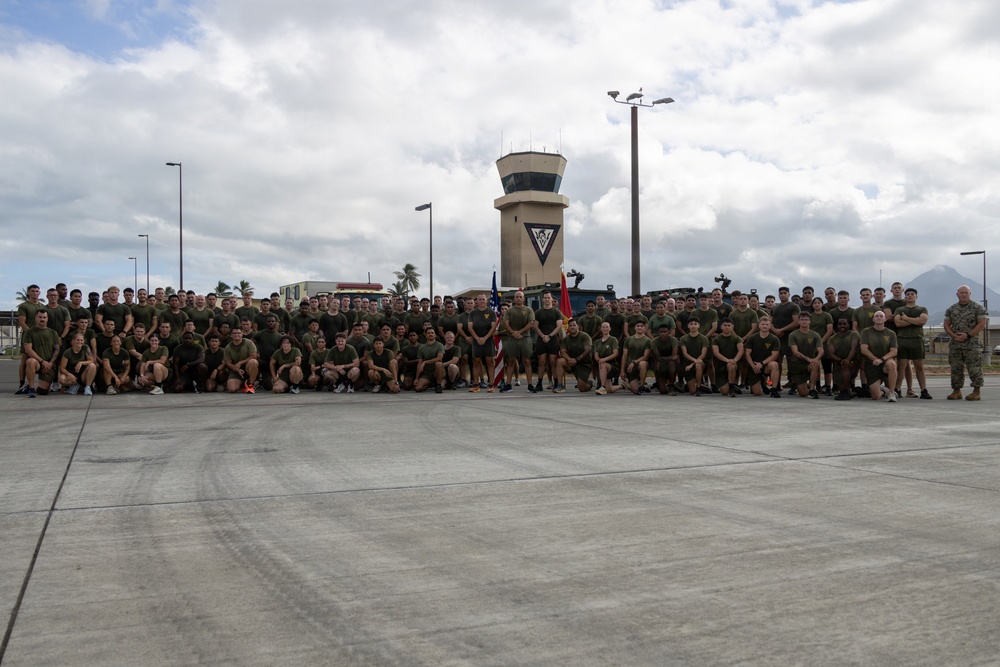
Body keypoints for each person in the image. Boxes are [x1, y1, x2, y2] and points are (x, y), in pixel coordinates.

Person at [943, 284, 988, 401]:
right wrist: (953, 335)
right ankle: (956, 391)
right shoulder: (951, 309)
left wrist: (968, 335)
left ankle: (976, 391)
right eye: (961, 293)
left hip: (972, 344)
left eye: (966, 293)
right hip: (956, 344)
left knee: (974, 368)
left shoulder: (978, 308)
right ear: (957, 294)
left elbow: (982, 324)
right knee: (956, 368)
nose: (963, 295)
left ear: (970, 294)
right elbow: (946, 324)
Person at [893, 287, 932, 399]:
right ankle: (898, 389)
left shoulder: (922, 309)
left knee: (919, 367)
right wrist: (914, 320)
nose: (910, 296)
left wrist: (906, 318)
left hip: (917, 340)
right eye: (908, 294)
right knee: (901, 366)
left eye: (912, 294)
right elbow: (898, 323)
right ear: (905, 296)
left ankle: (923, 390)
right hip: (902, 340)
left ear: (916, 296)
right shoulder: (899, 309)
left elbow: (922, 321)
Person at [21, 310, 62, 398]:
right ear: (36, 318)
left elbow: (57, 349)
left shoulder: (53, 333)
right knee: (30, 361)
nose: (42, 319)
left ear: (47, 319)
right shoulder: (29, 332)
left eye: (44, 317)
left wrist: (50, 363)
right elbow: (28, 350)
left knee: (43, 391)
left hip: (49, 364)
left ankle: (28, 388)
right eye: (40, 317)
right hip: (38, 362)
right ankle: (31, 389)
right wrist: (42, 361)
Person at [860, 311, 898, 402]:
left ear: (885, 319)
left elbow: (894, 351)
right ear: (873, 319)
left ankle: (892, 393)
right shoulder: (866, 332)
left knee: (892, 364)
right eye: (876, 316)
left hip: (885, 362)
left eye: (881, 316)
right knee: (875, 396)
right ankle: (884, 391)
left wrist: (881, 359)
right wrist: (875, 359)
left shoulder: (891, 333)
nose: (879, 317)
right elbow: (864, 349)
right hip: (872, 364)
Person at [502, 291, 536, 392]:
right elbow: (506, 323)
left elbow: (531, 323)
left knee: (527, 361)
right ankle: (508, 384)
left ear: (523, 299)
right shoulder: (509, 311)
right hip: (512, 339)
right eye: (516, 297)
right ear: (514, 298)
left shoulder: (529, 310)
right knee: (511, 361)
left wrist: (519, 332)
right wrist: (513, 333)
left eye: (520, 297)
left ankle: (530, 385)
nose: (518, 298)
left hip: (525, 338)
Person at [788, 311, 824, 398]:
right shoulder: (793, 335)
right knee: (803, 394)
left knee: (815, 364)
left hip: (809, 364)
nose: (804, 321)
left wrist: (816, 359)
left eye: (806, 319)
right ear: (798, 321)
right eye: (802, 319)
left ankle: (812, 389)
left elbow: (821, 350)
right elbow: (795, 352)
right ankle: (805, 386)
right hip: (797, 365)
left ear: (810, 321)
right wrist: (808, 359)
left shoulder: (815, 335)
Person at [532, 292, 563, 392]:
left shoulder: (557, 312)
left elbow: (559, 326)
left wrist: (550, 336)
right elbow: (535, 326)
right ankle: (539, 383)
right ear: (542, 299)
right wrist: (542, 336)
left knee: (553, 362)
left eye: (548, 298)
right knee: (541, 362)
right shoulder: (538, 312)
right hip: (541, 339)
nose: (546, 300)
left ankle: (556, 382)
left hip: (553, 339)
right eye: (545, 298)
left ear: (551, 299)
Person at [743, 317, 781, 398]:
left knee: (774, 364)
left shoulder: (774, 339)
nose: (765, 326)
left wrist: (762, 363)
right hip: (754, 366)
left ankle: (774, 389)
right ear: (759, 325)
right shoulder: (752, 338)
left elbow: (775, 355)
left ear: (770, 326)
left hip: (765, 365)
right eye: (763, 324)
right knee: (757, 393)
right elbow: (747, 354)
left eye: (767, 324)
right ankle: (762, 383)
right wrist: (753, 366)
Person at [467, 294, 498, 392]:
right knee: (476, 362)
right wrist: (477, 338)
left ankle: (491, 384)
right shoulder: (473, 313)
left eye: (483, 299)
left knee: (490, 362)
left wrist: (485, 338)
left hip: (488, 340)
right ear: (477, 301)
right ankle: (476, 385)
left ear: (486, 300)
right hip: (476, 341)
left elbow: (493, 327)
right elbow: (470, 327)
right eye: (479, 299)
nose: (481, 301)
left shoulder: (491, 312)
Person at [826, 318, 860, 401]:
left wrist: (847, 360)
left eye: (844, 323)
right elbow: (831, 353)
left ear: (848, 325)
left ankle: (845, 392)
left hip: (852, 362)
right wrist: (841, 361)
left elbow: (854, 348)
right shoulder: (832, 338)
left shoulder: (854, 334)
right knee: (841, 387)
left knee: (845, 368)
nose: (842, 326)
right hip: (839, 363)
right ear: (837, 326)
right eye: (840, 324)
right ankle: (855, 392)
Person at [556, 318, 592, 393]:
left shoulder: (584, 336)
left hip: (583, 364)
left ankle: (590, 383)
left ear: (578, 326)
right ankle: (559, 385)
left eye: (574, 325)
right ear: (568, 327)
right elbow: (563, 352)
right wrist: (569, 359)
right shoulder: (566, 339)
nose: (572, 327)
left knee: (582, 388)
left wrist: (577, 359)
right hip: (571, 362)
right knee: (560, 361)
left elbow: (587, 350)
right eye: (570, 326)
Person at [712, 318, 744, 397]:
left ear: (732, 327)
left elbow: (741, 350)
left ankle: (732, 388)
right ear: (721, 327)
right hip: (721, 367)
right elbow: (716, 352)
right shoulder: (716, 339)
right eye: (725, 325)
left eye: (729, 325)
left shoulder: (737, 338)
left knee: (731, 366)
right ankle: (730, 386)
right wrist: (727, 360)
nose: (727, 327)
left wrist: (734, 360)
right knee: (724, 392)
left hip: (732, 364)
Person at [223, 327, 259, 393]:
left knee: (253, 362)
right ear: (231, 335)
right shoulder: (228, 347)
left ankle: (251, 385)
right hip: (236, 370)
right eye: (234, 333)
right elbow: (228, 363)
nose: (237, 335)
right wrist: (237, 369)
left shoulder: (249, 343)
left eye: (239, 333)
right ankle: (243, 384)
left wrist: (240, 362)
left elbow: (253, 356)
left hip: (248, 368)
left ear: (242, 334)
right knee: (232, 389)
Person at [678, 318, 709, 396]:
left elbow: (703, 355)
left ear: (698, 326)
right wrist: (692, 363)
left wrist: (692, 364)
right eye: (691, 324)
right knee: (692, 392)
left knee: (698, 364)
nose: (693, 326)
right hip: (687, 364)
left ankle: (698, 387)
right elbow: (685, 353)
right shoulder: (683, 338)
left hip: (700, 363)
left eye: (695, 324)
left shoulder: (704, 338)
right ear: (688, 326)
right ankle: (702, 387)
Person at [620, 320, 652, 394]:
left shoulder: (648, 341)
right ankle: (629, 385)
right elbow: (624, 355)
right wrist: (622, 370)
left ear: (644, 328)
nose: (639, 327)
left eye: (641, 326)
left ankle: (642, 385)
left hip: (639, 364)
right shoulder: (628, 340)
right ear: (635, 328)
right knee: (636, 391)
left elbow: (645, 356)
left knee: (643, 363)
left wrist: (634, 362)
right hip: (630, 367)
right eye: (638, 326)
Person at [650, 323, 679, 395]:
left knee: (672, 363)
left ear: (669, 332)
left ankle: (671, 385)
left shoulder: (673, 340)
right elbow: (658, 358)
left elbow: (675, 356)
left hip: (670, 363)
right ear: (658, 332)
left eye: (665, 332)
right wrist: (671, 358)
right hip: (660, 363)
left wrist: (671, 358)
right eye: (661, 332)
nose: (663, 334)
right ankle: (663, 382)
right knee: (663, 391)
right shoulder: (654, 342)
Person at [414, 328, 446, 394]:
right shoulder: (422, 348)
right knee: (418, 388)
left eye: (432, 333)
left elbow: (439, 358)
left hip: (437, 372)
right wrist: (416, 378)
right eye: (428, 333)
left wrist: (425, 362)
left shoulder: (440, 345)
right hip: (427, 374)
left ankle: (438, 385)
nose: (430, 334)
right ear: (425, 335)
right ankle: (430, 384)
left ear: (435, 335)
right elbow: (419, 364)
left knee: (438, 364)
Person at [593, 321, 621, 396]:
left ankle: (602, 387)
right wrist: (599, 360)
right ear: (600, 329)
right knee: (609, 389)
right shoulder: (597, 342)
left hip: (613, 366)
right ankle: (623, 386)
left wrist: (604, 359)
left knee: (603, 365)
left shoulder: (613, 340)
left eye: (606, 327)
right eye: (603, 327)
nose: (605, 329)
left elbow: (615, 353)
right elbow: (596, 355)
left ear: (610, 329)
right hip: (602, 365)